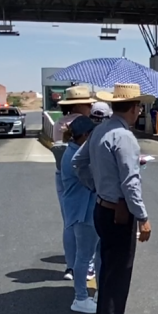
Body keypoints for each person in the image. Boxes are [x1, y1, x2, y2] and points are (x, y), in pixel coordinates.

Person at [73, 83, 153, 314]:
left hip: (102, 208)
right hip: (120, 213)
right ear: (133, 108)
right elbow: (130, 183)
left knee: (108, 267)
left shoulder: (99, 131)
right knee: (119, 272)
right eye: (139, 106)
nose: (139, 110)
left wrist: (95, 185)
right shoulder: (124, 137)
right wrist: (142, 216)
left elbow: (78, 163)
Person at [52, 85, 97, 280]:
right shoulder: (83, 124)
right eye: (87, 104)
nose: (90, 107)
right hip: (82, 175)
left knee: (69, 222)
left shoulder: (58, 123)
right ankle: (87, 264)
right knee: (88, 222)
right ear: (79, 105)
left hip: (62, 174)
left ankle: (70, 266)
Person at [60, 116, 100, 314]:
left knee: (98, 253)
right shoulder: (76, 158)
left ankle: (97, 292)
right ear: (84, 136)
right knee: (84, 256)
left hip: (86, 209)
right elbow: (93, 179)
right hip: (84, 211)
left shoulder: (75, 151)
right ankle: (81, 297)